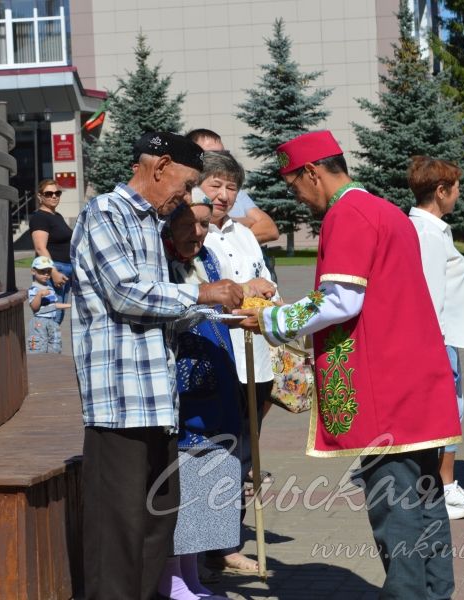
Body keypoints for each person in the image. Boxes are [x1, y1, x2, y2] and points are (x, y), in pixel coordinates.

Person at [237, 130, 461, 599]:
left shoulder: (348, 214)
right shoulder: (384, 210)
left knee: (395, 507)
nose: (296, 195)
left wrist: (271, 318)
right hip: (416, 379)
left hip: (384, 386)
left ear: (312, 173)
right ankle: (436, 594)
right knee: (425, 499)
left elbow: (341, 300)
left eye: (294, 184)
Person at [70, 131, 244, 600]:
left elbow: (162, 310)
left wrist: (225, 312)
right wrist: (205, 292)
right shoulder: (105, 212)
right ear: (160, 166)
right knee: (117, 536)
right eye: (186, 186)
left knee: (156, 526)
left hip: (156, 403)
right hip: (119, 404)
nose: (185, 198)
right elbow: (126, 293)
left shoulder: (149, 222)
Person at [158, 190, 242, 600]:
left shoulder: (205, 258)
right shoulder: (160, 260)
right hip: (184, 390)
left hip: (216, 383)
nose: (198, 232)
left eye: (205, 223)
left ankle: (191, 574)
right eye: (189, 222)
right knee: (183, 483)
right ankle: (171, 576)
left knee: (210, 476)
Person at [199, 151, 277, 576]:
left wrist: (267, 296)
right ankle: (210, 545)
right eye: (216, 185)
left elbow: (266, 283)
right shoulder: (194, 234)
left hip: (256, 361)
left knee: (246, 456)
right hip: (219, 358)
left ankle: (230, 540)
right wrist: (245, 288)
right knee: (217, 453)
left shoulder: (243, 235)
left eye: (231, 187)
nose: (224, 195)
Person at [407, 156, 464, 520]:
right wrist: (436, 349)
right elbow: (427, 295)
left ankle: (447, 485)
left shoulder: (436, 229)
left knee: (452, 410)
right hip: (436, 340)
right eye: (455, 188)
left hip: (446, 338)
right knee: (440, 413)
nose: (459, 194)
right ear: (440, 191)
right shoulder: (425, 234)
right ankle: (435, 491)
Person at [185, 129, 279, 245]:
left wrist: (230, 233)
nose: (224, 196)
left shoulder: (235, 192)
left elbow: (270, 229)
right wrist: (243, 222)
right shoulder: (182, 195)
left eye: (224, 154)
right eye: (210, 155)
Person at [29, 178, 73, 324]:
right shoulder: (40, 217)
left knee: (57, 317)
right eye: (49, 193)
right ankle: (43, 346)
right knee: (49, 316)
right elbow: (40, 248)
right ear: (40, 196)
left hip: (65, 270)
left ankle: (51, 345)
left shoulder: (56, 216)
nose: (54, 196)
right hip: (53, 270)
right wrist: (53, 272)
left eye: (57, 193)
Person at [26, 256, 70, 354]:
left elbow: (53, 305)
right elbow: (34, 307)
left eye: (49, 271)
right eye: (42, 271)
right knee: (39, 346)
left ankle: (53, 362)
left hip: (52, 321)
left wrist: (69, 305)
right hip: (40, 322)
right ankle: (38, 364)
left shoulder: (49, 288)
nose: (46, 274)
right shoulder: (34, 289)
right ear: (33, 271)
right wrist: (39, 295)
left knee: (55, 345)